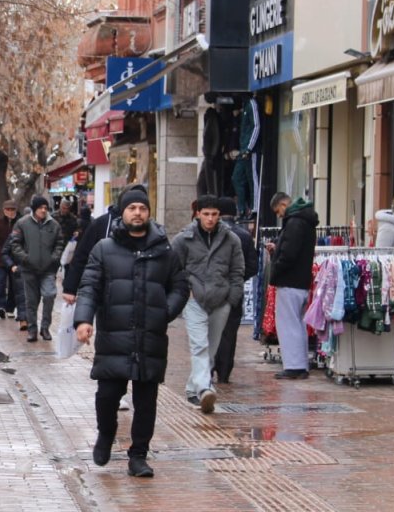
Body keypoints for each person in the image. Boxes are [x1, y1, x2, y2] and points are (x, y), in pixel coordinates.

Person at [74, 186, 184, 478]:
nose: (138, 213)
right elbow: (89, 287)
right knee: (107, 395)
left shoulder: (164, 250)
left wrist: (164, 312)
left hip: (151, 337)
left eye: (143, 208)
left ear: (149, 213)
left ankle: (138, 456)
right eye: (132, 208)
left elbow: (180, 287)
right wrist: (83, 320)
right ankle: (106, 433)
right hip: (114, 335)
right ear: (122, 213)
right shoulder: (104, 249)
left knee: (146, 401)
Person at [172, 195, 244, 414]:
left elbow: (237, 270)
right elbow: (174, 268)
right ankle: (205, 388)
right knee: (199, 345)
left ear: (219, 215)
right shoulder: (184, 239)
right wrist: (187, 290)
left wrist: (232, 298)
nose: (210, 219)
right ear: (198, 214)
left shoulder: (231, 239)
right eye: (206, 214)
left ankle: (193, 389)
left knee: (211, 348)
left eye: (214, 214)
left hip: (221, 300)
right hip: (195, 299)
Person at [265, 192, 318, 380]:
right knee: (298, 324)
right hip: (301, 281)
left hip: (290, 280)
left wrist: (276, 269)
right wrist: (278, 248)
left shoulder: (295, 222)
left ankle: (294, 366)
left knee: (288, 324)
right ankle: (300, 363)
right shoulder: (305, 221)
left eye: (278, 211)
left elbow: (289, 254)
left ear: (283, 204)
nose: (279, 215)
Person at [212, 196, 258, 384]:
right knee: (229, 332)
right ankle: (224, 371)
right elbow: (253, 266)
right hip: (234, 291)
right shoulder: (245, 235)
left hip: (211, 290)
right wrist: (239, 278)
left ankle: (208, 368)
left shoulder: (210, 233)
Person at [10, 196, 65, 343]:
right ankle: (32, 329)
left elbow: (60, 243)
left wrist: (54, 257)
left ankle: (45, 327)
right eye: (41, 207)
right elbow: (15, 244)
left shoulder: (54, 225)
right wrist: (25, 258)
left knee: (49, 295)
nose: (43, 210)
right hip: (29, 269)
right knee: (31, 302)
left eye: (46, 208)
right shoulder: (22, 223)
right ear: (34, 209)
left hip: (48, 269)